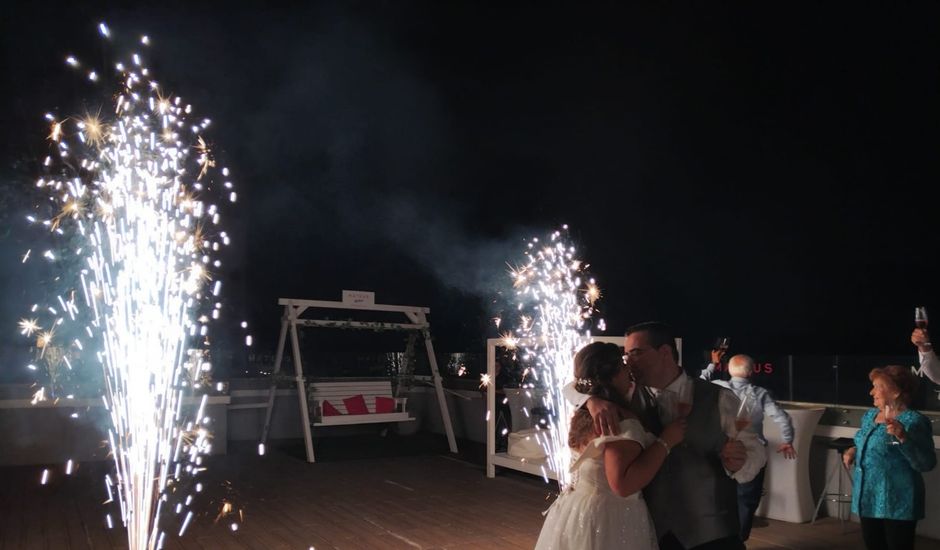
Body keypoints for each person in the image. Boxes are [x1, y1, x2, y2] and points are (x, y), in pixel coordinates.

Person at [566, 322, 767, 550]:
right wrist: (590, 400)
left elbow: (755, 450)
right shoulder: (624, 398)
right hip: (651, 534)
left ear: (664, 353)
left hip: (712, 534)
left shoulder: (720, 397)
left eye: (636, 353)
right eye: (626, 356)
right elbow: (577, 384)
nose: (628, 362)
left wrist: (741, 461)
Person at [536, 342, 686, 550]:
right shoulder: (616, 419)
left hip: (577, 510)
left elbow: (570, 387)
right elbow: (622, 485)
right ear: (614, 375)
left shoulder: (586, 412)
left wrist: (590, 399)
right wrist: (665, 442)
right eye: (624, 365)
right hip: (611, 517)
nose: (629, 370)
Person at [701, 354, 796, 541]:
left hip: (721, 452)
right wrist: (788, 440)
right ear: (751, 372)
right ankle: (740, 540)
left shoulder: (717, 386)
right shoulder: (760, 393)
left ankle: (722, 540)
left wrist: (712, 364)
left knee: (720, 499)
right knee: (747, 501)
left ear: (728, 369)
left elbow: (698, 382)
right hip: (752, 455)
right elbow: (781, 418)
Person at [843, 366, 936, 550]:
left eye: (877, 386)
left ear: (895, 392)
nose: (871, 392)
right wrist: (853, 450)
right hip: (868, 496)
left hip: (897, 500)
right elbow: (868, 443)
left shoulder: (914, 421)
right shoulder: (869, 416)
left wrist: (903, 438)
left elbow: (926, 463)